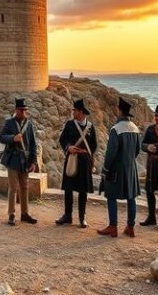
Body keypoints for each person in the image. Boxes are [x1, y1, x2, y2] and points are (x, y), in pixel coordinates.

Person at [97, 97, 141, 238]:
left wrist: (105, 169)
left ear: (120, 111)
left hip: (116, 170)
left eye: (117, 108)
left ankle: (113, 227)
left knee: (110, 196)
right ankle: (130, 227)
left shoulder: (116, 129)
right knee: (131, 198)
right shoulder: (135, 128)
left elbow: (111, 153)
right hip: (131, 169)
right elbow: (137, 151)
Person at [56, 99, 97, 228]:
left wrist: (85, 153)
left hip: (84, 161)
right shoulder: (69, 125)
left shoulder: (90, 127)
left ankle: (82, 217)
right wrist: (69, 147)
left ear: (81, 112)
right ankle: (67, 215)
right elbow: (63, 139)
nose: (73, 112)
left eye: (75, 110)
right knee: (68, 188)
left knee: (83, 190)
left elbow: (94, 145)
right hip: (72, 159)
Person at [0, 98, 38, 226]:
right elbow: (1, 137)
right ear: (16, 110)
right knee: (13, 188)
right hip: (13, 160)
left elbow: (33, 144)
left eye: (24, 110)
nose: (23, 112)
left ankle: (25, 213)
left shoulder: (29, 124)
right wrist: (13, 138)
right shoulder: (9, 122)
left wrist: (33, 162)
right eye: (21, 110)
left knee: (25, 187)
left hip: (25, 160)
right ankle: (11, 214)